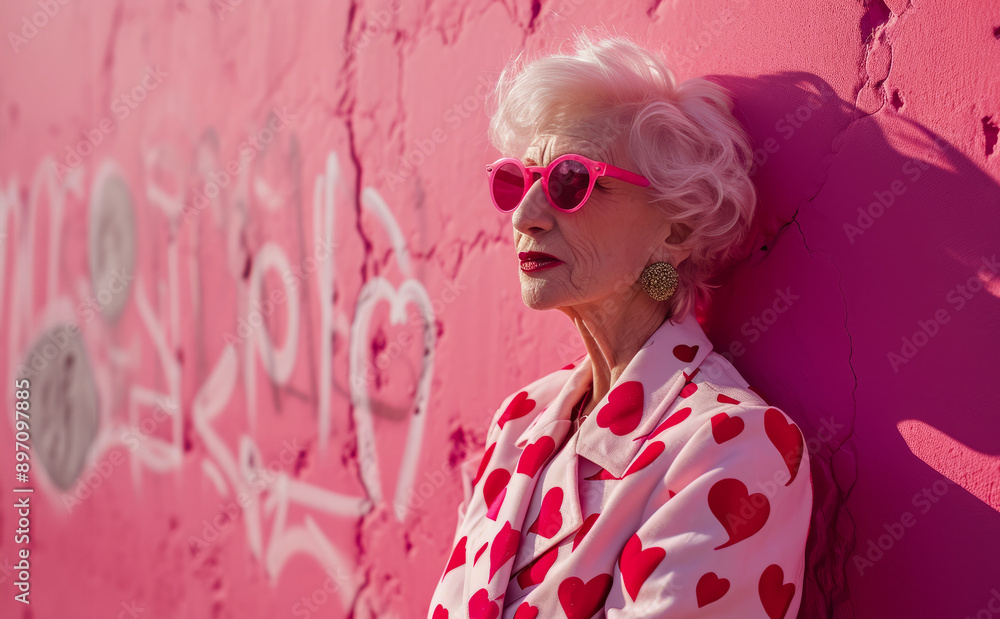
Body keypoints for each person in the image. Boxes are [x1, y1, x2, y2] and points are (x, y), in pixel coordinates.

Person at [427, 29, 812, 619]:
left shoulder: (732, 448)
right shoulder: (520, 422)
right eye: (519, 181)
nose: (527, 217)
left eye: (570, 181)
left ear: (676, 230)